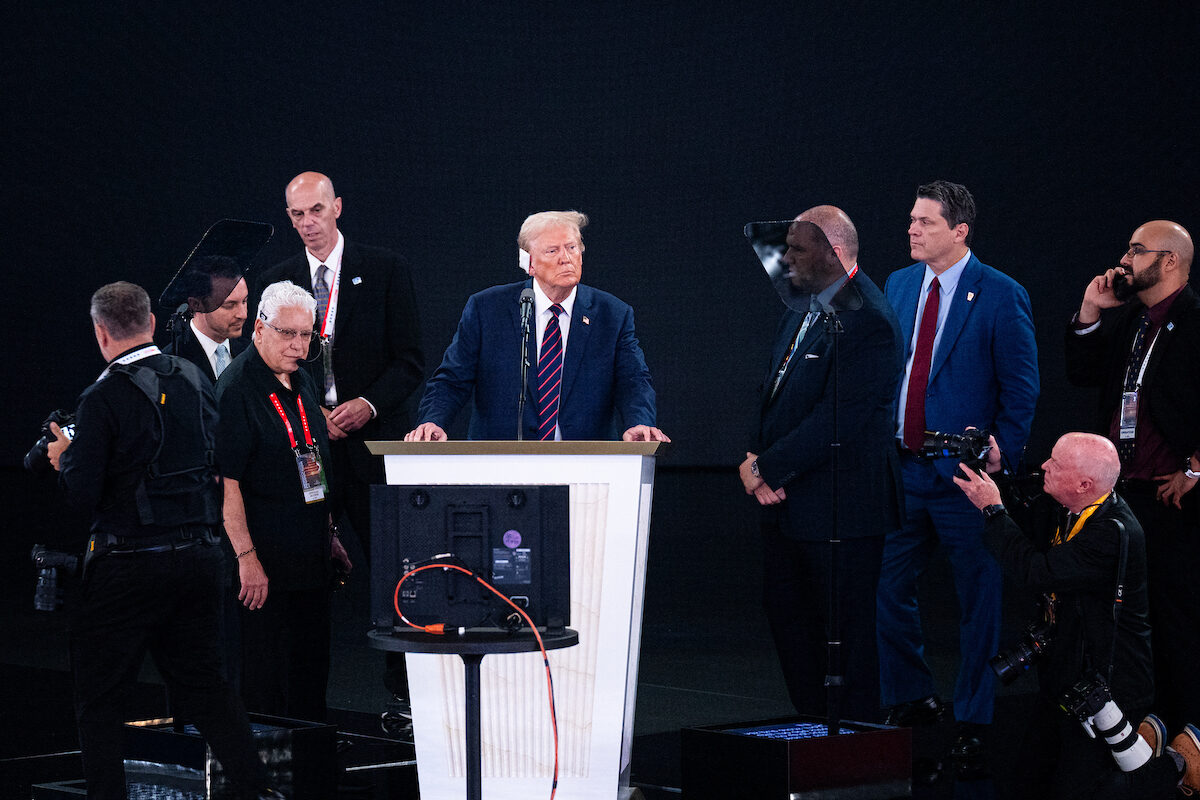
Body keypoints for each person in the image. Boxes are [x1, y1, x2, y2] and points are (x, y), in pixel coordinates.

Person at [46, 282, 277, 800]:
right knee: (207, 688)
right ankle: (257, 792)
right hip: (198, 560)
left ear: (101, 332)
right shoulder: (194, 377)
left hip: (126, 568)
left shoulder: (103, 396)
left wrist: (64, 461)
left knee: (100, 703)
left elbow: (81, 495)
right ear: (150, 324)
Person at [876, 180, 1040, 758]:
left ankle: (974, 717)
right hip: (902, 469)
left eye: (925, 222)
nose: (912, 230)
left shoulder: (999, 293)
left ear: (959, 231)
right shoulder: (898, 284)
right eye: (912, 220)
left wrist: (1005, 451)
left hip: (965, 479)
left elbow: (1020, 388)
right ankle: (911, 696)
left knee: (979, 598)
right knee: (887, 587)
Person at [955, 433, 1200, 798]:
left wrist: (992, 510)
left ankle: (1171, 765)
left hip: (1108, 686)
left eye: (1055, 463)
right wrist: (998, 475)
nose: (1044, 467)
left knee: (1092, 786)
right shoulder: (1068, 506)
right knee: (1028, 778)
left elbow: (1038, 572)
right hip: (1066, 676)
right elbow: (1023, 518)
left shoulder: (1111, 532)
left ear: (1085, 483)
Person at [739, 207, 904, 722]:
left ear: (833, 252)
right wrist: (754, 459)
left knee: (843, 644)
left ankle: (853, 752)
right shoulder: (802, 308)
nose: (785, 257)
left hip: (840, 513)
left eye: (796, 249)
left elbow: (838, 419)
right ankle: (814, 738)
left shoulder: (869, 319)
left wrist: (768, 468)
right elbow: (776, 395)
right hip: (789, 506)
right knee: (794, 628)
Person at [1064, 219, 1200, 733]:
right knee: (1123, 618)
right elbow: (1081, 372)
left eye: (1137, 251)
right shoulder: (1132, 319)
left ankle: (1186, 733)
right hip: (1124, 495)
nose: (1124, 259)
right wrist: (1091, 310)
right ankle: (1136, 724)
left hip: (1172, 500)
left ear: (1170, 261)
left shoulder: (1192, 319)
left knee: (1174, 618)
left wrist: (1195, 466)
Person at [251, 171, 424, 555]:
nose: (308, 223)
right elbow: (265, 371)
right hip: (307, 448)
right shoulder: (276, 281)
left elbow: (410, 361)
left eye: (316, 210)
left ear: (337, 207)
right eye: (298, 215)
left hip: (374, 449)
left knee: (393, 562)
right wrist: (312, 414)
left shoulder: (385, 269)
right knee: (306, 563)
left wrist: (368, 404)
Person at [406, 210, 669, 443]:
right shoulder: (487, 308)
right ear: (528, 262)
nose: (566, 258)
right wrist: (433, 421)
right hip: (502, 462)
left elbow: (633, 380)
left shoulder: (613, 313)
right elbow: (452, 379)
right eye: (552, 251)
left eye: (572, 248)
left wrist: (639, 421)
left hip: (585, 461)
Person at [216, 280, 352, 722]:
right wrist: (246, 558)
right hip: (264, 562)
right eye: (286, 334)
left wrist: (329, 535)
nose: (297, 346)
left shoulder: (303, 378)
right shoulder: (237, 388)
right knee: (264, 680)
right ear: (259, 329)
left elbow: (313, 460)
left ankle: (311, 766)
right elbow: (226, 484)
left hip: (310, 555)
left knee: (310, 675)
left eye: (306, 335)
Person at [165, 256, 250, 383]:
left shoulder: (251, 353)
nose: (243, 315)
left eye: (244, 301)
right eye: (229, 305)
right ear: (196, 304)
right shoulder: (171, 364)